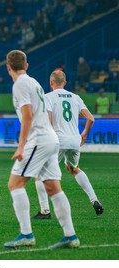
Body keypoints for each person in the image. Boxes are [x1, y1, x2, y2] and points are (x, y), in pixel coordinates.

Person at [3, 50, 79, 249]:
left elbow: (27, 116)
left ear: (8, 67)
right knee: (53, 188)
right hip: (51, 138)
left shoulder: (19, 84)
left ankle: (26, 234)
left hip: (38, 139)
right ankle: (70, 235)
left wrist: (21, 147)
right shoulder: (34, 82)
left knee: (15, 184)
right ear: (26, 65)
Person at [33, 70, 104, 219]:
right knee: (73, 168)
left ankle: (45, 211)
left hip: (58, 139)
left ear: (51, 82)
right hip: (74, 139)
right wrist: (84, 134)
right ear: (65, 82)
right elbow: (91, 119)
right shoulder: (76, 97)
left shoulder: (48, 97)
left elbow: (49, 121)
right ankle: (94, 199)